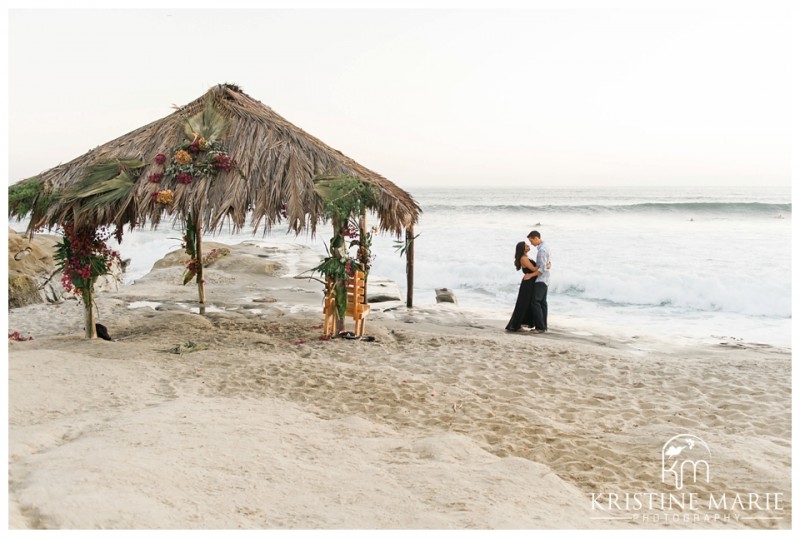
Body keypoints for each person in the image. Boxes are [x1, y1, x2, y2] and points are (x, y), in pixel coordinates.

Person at [505, 241, 541, 332]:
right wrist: (545, 264)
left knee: (528, 303)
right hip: (528, 282)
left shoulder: (526, 257)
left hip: (530, 281)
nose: (528, 246)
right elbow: (533, 269)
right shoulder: (523, 258)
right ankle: (516, 325)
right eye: (526, 245)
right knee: (523, 303)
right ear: (523, 248)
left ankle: (522, 323)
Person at [527, 230, 550, 333]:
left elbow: (542, 269)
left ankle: (540, 327)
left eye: (531, 240)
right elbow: (547, 264)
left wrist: (530, 275)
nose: (531, 243)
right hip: (546, 279)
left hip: (541, 279)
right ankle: (543, 326)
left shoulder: (542, 250)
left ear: (536, 238)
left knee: (535, 302)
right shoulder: (545, 247)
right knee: (542, 303)